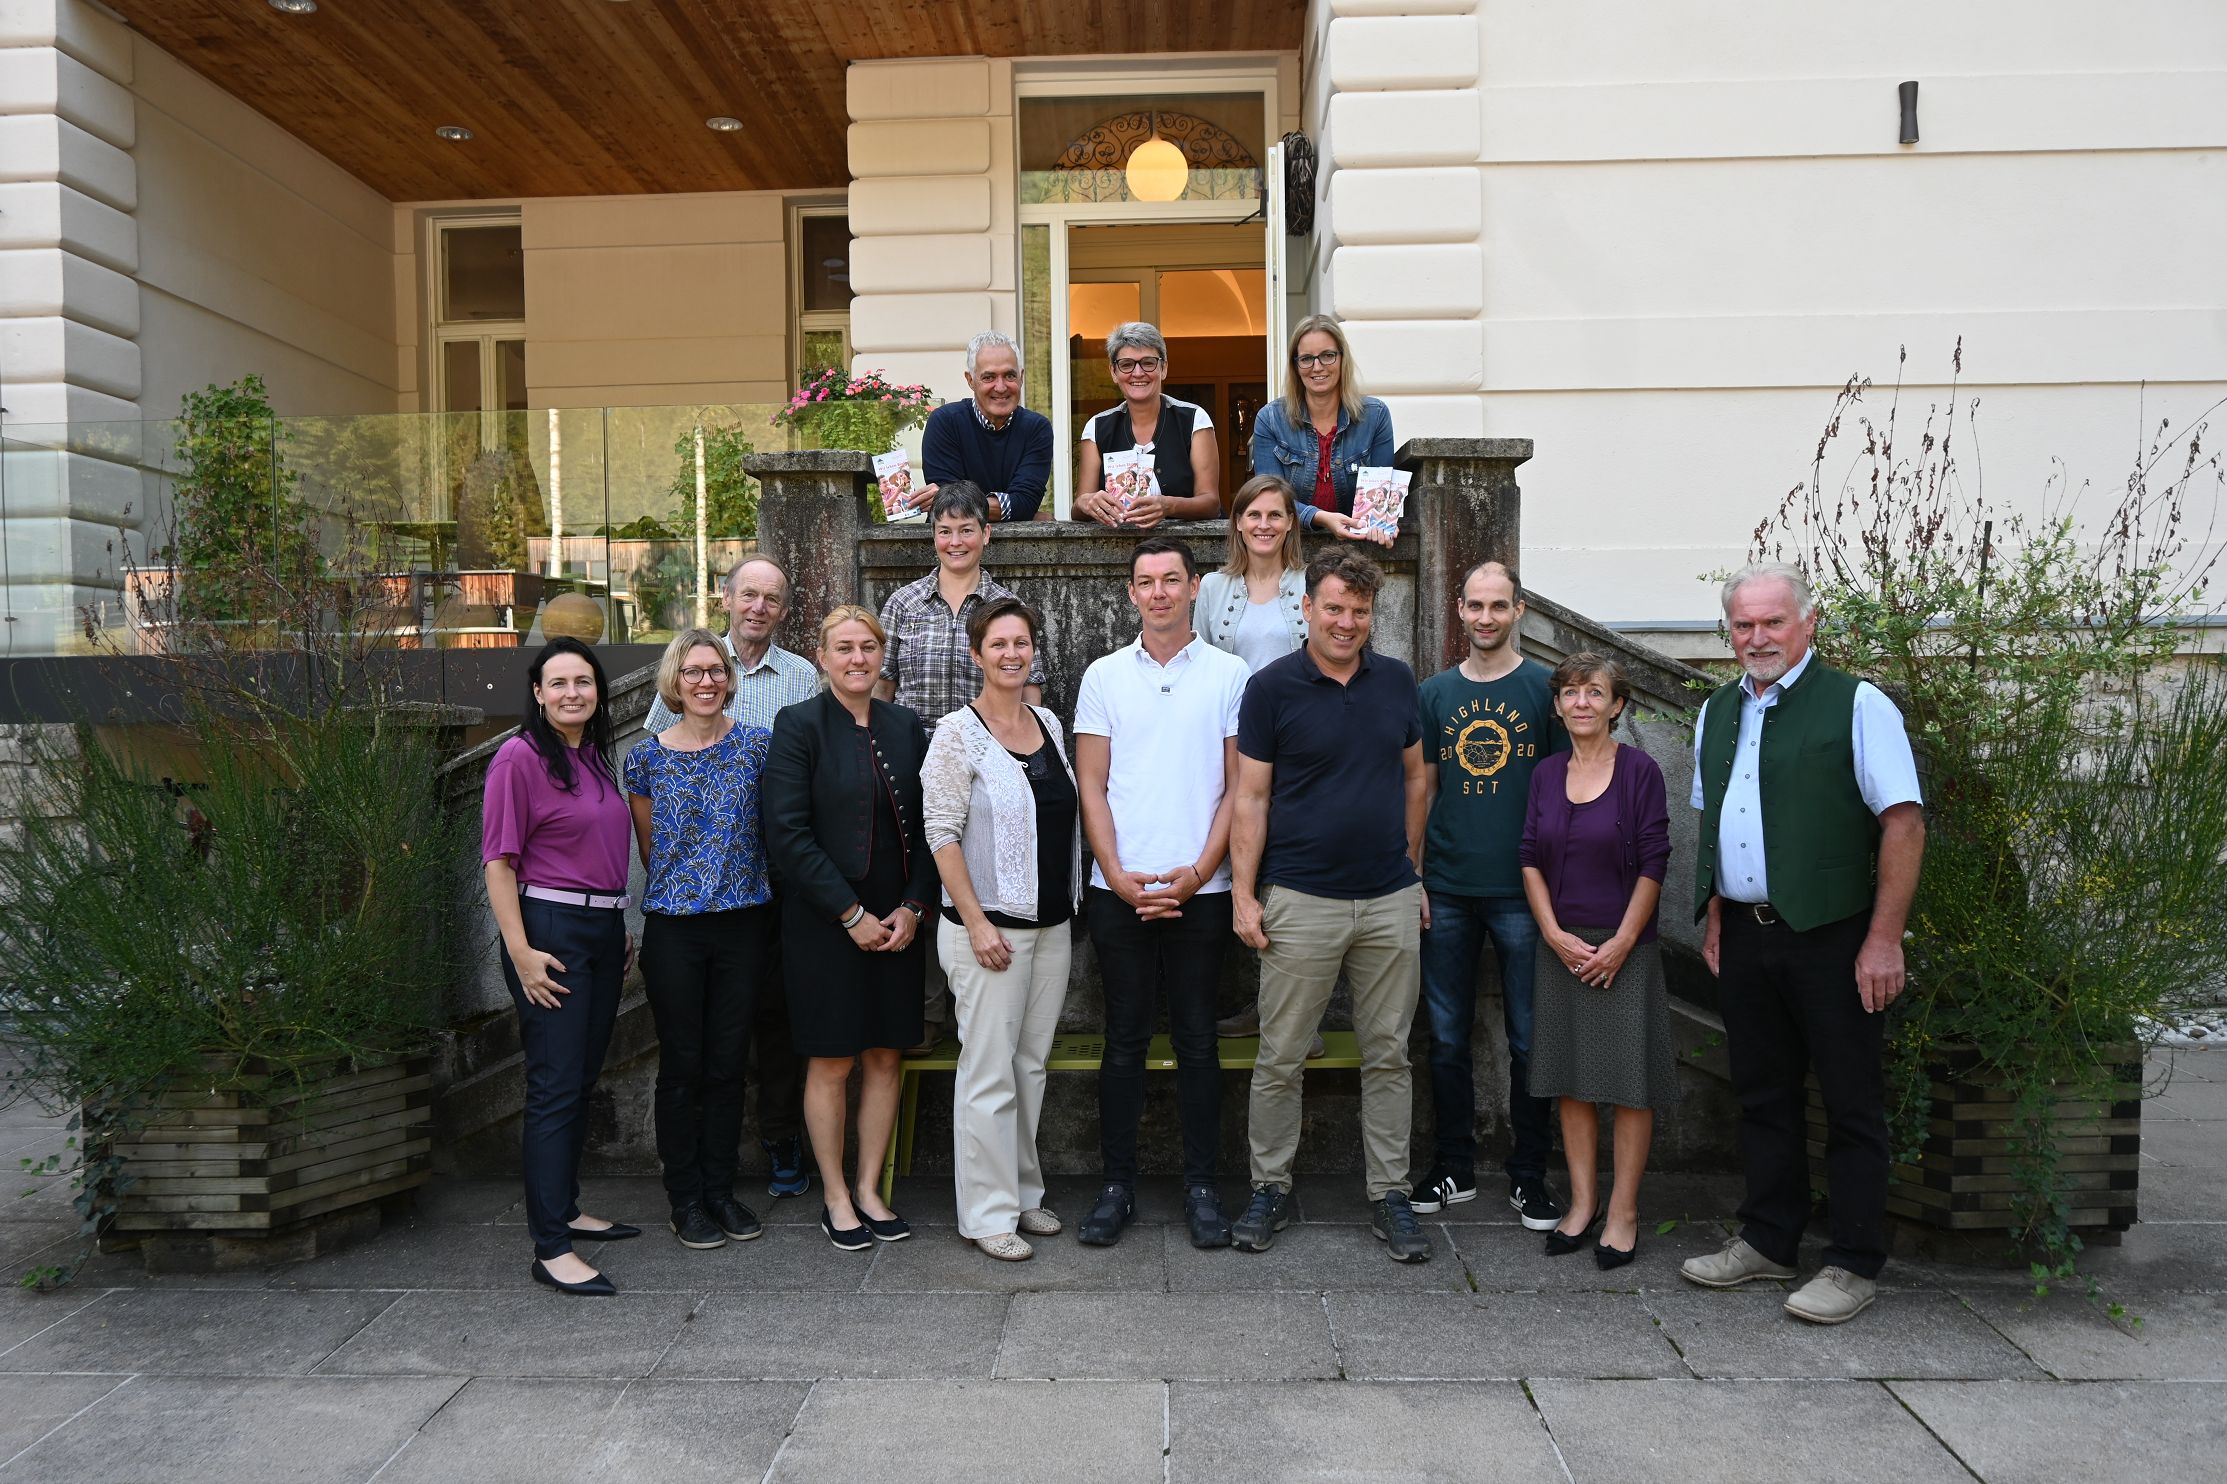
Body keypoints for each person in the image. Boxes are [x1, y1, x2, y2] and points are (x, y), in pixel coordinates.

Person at [1679, 563, 1925, 1325]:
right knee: (1761, 1094)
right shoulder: (1717, 709)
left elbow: (1903, 824)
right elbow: (1718, 821)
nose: (1757, 638)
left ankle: (1852, 1263)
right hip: (1748, 938)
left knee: (1850, 1102)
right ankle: (1768, 1238)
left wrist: (1882, 940)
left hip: (1833, 935)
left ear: (1807, 623)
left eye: (1772, 623)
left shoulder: (1856, 703)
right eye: (1743, 625)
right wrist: (1715, 911)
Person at [1229, 546, 1434, 1263]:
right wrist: (1245, 894)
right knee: (1281, 1057)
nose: (1347, 622)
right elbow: (1249, 796)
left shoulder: (1397, 682)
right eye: (1335, 608)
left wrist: (1411, 872)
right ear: (1306, 608)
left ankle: (1390, 1195)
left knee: (1387, 1056)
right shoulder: (1271, 688)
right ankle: (1268, 1188)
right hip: (1300, 899)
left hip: (1386, 901)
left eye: (1359, 611)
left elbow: (1416, 780)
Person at [1073, 537, 1250, 1249]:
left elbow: (1241, 786)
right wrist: (1114, 873)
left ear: (1193, 587)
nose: (1158, 593)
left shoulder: (1230, 674)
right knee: (1121, 1043)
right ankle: (1116, 1186)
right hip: (1120, 887)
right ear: (1130, 593)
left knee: (1198, 1043)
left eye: (1170, 580)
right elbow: (1091, 782)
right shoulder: (1104, 675)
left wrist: (1202, 872)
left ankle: (1202, 1187)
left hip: (1202, 890)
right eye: (1145, 582)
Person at [642, 556, 820, 1201]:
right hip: (685, 901)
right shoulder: (679, 685)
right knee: (692, 1053)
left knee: (773, 1022)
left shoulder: (799, 679)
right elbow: (651, 816)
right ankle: (691, 1188)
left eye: (771, 598)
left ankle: (774, 1142)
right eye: (749, 594)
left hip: (770, 880)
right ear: (727, 598)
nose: (758, 608)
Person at [762, 606, 938, 1251]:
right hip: (824, 921)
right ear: (823, 656)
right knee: (833, 1057)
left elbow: (932, 827)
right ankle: (835, 1195)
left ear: (881, 653)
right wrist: (851, 914)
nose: (857, 658)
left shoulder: (906, 725)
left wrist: (915, 908)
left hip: (898, 921)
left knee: (886, 1053)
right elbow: (787, 832)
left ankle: (870, 1188)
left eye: (868, 647)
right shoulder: (798, 724)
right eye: (844, 648)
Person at [920, 597, 1081, 1261]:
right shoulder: (956, 733)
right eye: (998, 644)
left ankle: (1021, 1194)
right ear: (975, 654)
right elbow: (941, 833)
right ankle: (984, 1214)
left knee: (1030, 1068)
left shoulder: (1047, 721)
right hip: (986, 932)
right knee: (988, 1074)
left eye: (1021, 642)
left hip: (1051, 927)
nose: (1011, 653)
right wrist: (979, 921)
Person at [1410, 562, 1568, 1230]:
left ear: (1519, 611)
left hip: (1521, 892)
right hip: (1444, 887)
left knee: (1530, 1039)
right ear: (1458, 609)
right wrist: (1410, 873)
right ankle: (1453, 1166)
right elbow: (1420, 788)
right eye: (1473, 605)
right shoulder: (1435, 693)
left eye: (1496, 606)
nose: (1483, 618)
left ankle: (1529, 1175)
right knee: (1443, 1037)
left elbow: (1567, 789)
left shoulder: (1543, 689)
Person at [481, 638, 638, 1296]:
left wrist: (619, 922)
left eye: (583, 681)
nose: (572, 692)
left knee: (579, 1081)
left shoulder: (595, 758)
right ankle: (550, 1247)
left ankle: (567, 1208)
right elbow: (498, 862)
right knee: (552, 1087)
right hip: (549, 931)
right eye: (558, 683)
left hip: (600, 928)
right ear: (539, 695)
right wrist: (519, 951)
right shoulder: (518, 758)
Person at [877, 481, 1051, 1050]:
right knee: (921, 882)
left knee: (983, 879)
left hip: (995, 773)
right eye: (944, 530)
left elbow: (1032, 695)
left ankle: (980, 1012)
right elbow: (883, 692)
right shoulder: (903, 604)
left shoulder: (1007, 609)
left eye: (967, 529)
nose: (956, 540)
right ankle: (929, 1011)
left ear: (986, 534)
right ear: (932, 537)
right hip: (914, 769)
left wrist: (1024, 768)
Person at [1519, 653, 1677, 1269]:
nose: (1581, 701)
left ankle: (1623, 1213)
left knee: (1629, 1087)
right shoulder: (1544, 773)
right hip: (1561, 946)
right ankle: (1582, 1205)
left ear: (1616, 705)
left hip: (1625, 949)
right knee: (1570, 1080)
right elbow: (1529, 856)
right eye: (1570, 691)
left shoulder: (1640, 772)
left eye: (1595, 692)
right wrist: (1554, 934)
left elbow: (1654, 862)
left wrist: (1621, 943)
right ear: (1557, 706)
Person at [624, 629, 775, 1251]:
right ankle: (684, 1198)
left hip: (743, 926)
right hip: (675, 930)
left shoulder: (758, 748)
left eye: (716, 670)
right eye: (693, 672)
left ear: (729, 678)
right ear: (675, 683)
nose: (706, 681)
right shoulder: (646, 757)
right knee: (682, 1065)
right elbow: (649, 849)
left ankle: (720, 1189)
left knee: (728, 1063)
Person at [1196, 475, 1325, 1060]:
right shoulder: (1215, 588)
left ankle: (1302, 1014)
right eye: (1254, 515)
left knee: (1292, 870)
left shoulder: (1310, 583)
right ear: (1239, 523)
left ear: (1291, 522)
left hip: (1299, 747)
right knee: (1240, 864)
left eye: (1276, 515)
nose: (1265, 525)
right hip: (1233, 743)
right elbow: (1199, 663)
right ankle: (1263, 1001)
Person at [1248, 314, 1396, 545]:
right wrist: (1320, 517)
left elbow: (1379, 496)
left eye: (1328, 356)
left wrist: (1381, 522)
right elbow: (1270, 499)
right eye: (1307, 358)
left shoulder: (1375, 416)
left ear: (1342, 359)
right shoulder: (1270, 419)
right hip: (1291, 549)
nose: (1317, 367)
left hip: (1356, 548)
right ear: (1295, 366)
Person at [1073, 322, 1222, 527]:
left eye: (1148, 363)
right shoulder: (1097, 428)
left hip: (1182, 551)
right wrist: (1085, 501)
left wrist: (1169, 505)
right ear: (1114, 372)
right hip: (1116, 549)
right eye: (1126, 364)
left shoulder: (1194, 419)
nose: (1138, 373)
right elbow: (1079, 510)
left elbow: (1211, 503)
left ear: (1164, 368)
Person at [915, 330, 1055, 522]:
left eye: (1009, 375)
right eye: (988, 377)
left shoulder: (1037, 429)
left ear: (1021, 377)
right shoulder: (945, 422)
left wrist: (955, 501)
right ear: (970, 380)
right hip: (955, 545)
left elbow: (1025, 502)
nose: (1001, 387)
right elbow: (949, 515)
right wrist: (1013, 508)